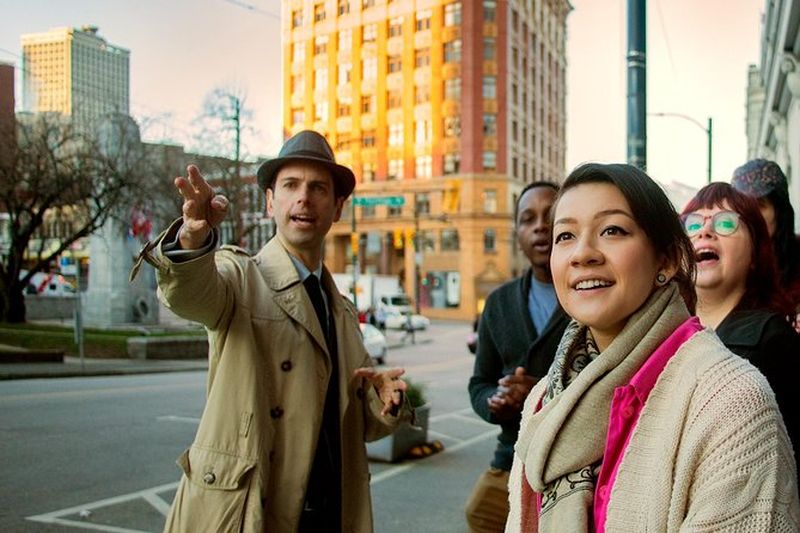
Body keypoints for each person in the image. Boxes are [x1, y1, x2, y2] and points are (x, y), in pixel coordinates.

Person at [131, 130, 412, 532]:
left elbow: (359, 424)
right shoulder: (241, 277)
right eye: (291, 186)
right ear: (270, 202)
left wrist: (387, 401)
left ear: (337, 208)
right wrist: (192, 239)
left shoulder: (344, 313)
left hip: (332, 515)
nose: (304, 198)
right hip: (253, 512)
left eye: (318, 188)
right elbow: (190, 294)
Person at [506, 163, 799, 532]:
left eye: (612, 230)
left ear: (668, 259)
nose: (582, 254)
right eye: (564, 236)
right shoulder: (543, 399)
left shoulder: (732, 400)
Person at [465, 182, 570, 532]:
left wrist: (538, 394)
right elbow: (480, 382)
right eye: (528, 219)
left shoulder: (591, 291)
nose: (540, 226)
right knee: (479, 513)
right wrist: (495, 402)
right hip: (511, 460)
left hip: (573, 469)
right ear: (518, 233)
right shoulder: (499, 303)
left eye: (551, 216)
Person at [681, 182, 800, 466]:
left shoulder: (774, 342)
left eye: (725, 223)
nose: (705, 232)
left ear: (756, 256)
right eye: (693, 225)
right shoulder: (661, 333)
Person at [732, 159, 800, 321]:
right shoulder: (730, 262)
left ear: (779, 211)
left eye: (760, 205)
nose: (751, 215)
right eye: (744, 207)